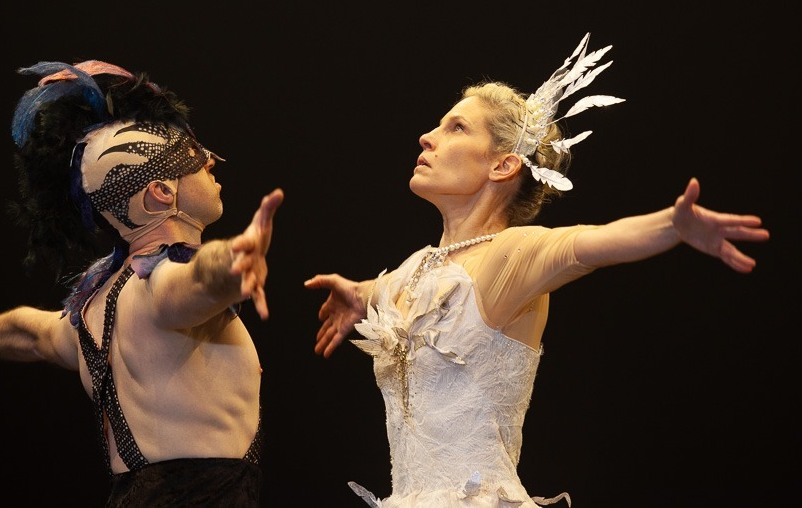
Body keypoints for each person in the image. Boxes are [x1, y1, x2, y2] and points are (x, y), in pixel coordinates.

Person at [305, 33, 770, 507]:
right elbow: (381, 288)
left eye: (456, 128)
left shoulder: (508, 255)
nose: (428, 136)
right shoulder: (416, 267)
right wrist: (357, 295)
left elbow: (584, 245)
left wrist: (671, 225)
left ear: (503, 165)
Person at [0, 60, 283, 507]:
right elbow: (192, 283)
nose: (210, 161)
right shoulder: (158, 285)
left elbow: (30, 334)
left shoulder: (93, 310)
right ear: (160, 192)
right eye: (194, 156)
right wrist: (231, 263)